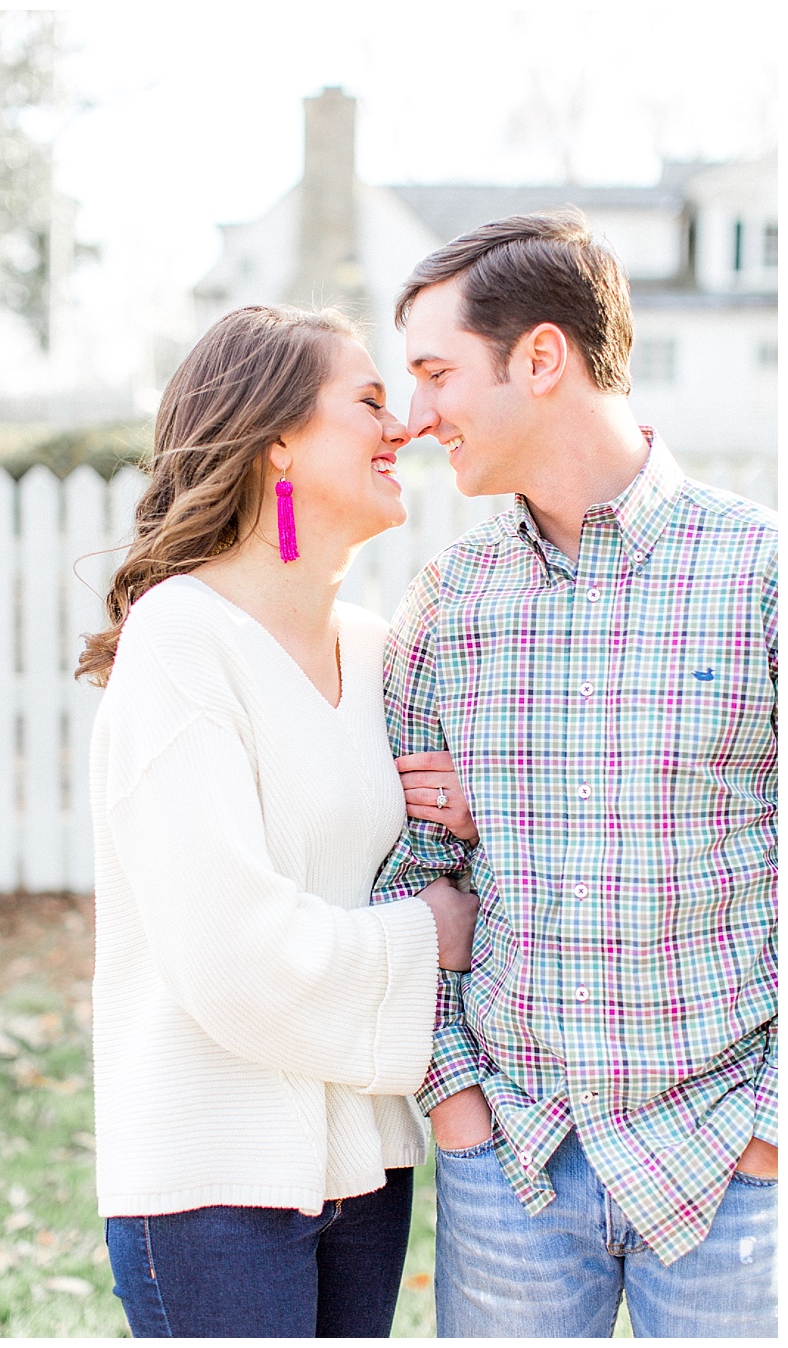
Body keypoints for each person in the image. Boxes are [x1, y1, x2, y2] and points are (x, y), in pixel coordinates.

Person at [371, 209, 777, 1337]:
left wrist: (770, 1131)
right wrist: (459, 1113)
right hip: (517, 1170)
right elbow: (412, 866)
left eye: (436, 371)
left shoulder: (761, 575)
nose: (415, 415)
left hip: (733, 1170)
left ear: (541, 357)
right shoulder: (450, 605)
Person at [78, 304, 480, 1337]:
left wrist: (474, 817)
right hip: (212, 1190)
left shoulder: (379, 647)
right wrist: (422, 938)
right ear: (279, 444)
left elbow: (416, 855)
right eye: (371, 403)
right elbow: (233, 951)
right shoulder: (182, 643)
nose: (407, 428)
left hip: (367, 1171)